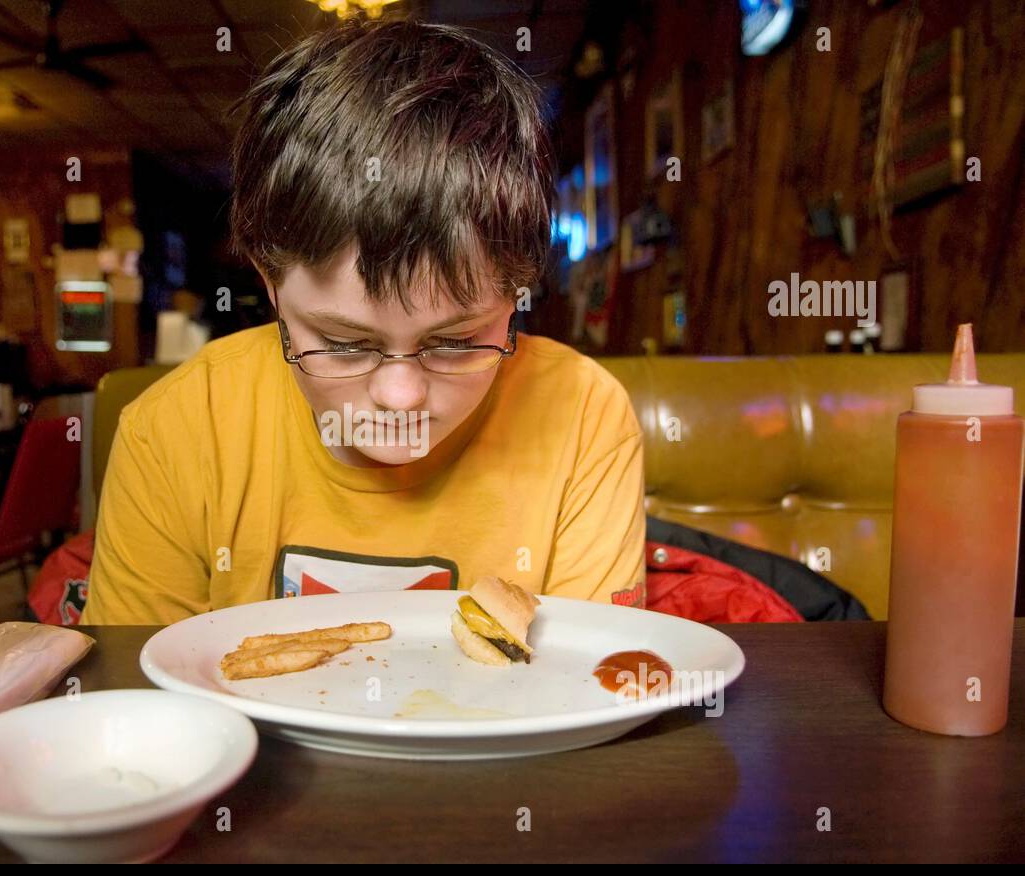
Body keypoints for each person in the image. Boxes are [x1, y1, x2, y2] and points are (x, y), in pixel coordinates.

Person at [81, 19, 645, 624]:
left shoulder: (584, 414)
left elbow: (584, 684)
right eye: (345, 343)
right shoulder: (174, 429)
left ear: (518, 291)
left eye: (455, 341)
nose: (399, 396)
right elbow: (143, 696)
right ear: (270, 283)